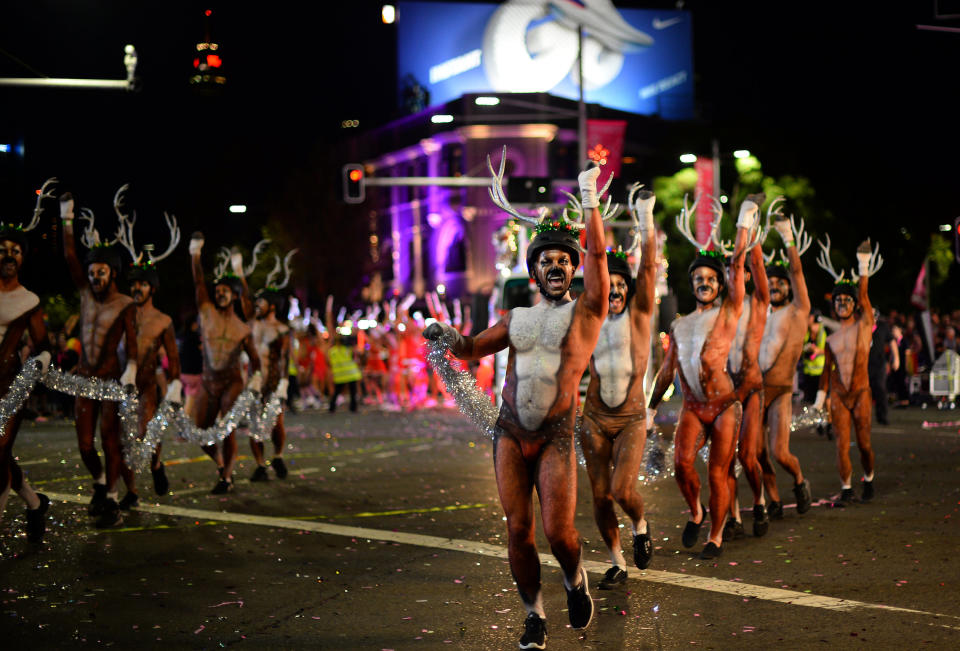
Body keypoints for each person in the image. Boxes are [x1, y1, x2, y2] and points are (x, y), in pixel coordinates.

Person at [423, 159, 609, 649]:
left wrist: (589, 200)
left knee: (558, 532)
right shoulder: (517, 317)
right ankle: (534, 615)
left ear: (573, 268)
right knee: (519, 530)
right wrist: (444, 335)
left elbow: (601, 264)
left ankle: (574, 580)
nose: (555, 265)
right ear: (534, 271)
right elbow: (468, 348)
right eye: (545, 260)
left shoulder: (586, 314)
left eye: (563, 260)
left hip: (555, 438)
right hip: (509, 433)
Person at [648, 193, 757, 560]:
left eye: (711, 278)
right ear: (692, 283)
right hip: (694, 406)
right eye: (699, 278)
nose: (705, 283)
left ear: (720, 283)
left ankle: (716, 537)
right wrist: (649, 410)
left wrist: (743, 221)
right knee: (681, 465)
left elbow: (739, 265)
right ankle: (697, 511)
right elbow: (666, 371)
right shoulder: (681, 326)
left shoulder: (729, 312)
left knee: (718, 473)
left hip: (725, 405)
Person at [578, 185, 657, 589]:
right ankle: (617, 560)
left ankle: (641, 525)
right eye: (611, 284)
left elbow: (649, 270)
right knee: (599, 496)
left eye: (622, 283)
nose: (618, 290)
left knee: (622, 490)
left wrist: (645, 216)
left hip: (630, 418)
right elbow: (592, 260)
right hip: (593, 418)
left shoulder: (641, 314)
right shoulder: (589, 317)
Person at [60, 192, 139, 527]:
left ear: (113, 273)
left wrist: (131, 371)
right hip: (83, 379)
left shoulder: (124, 303)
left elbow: (132, 345)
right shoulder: (84, 295)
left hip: (110, 381)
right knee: (84, 446)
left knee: (110, 438)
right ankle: (100, 481)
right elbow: (69, 255)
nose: (95, 277)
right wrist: (66, 217)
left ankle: (110, 497)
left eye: (101, 272)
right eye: (92, 272)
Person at [113, 193, 183, 498]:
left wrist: (176, 383)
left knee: (146, 433)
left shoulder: (163, 320)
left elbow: (173, 355)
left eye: (142, 284)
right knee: (122, 438)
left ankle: (156, 465)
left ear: (152, 288)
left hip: (148, 384)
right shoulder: (122, 312)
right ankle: (130, 491)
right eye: (133, 283)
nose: (136, 288)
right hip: (119, 385)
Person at [0, 179, 56, 542]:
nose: (8, 255)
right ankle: (36, 504)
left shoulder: (29, 300)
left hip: (8, 387)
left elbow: (44, 344)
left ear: (23, 257)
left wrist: (41, 362)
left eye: (15, 251)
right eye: (2, 249)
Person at [188, 233, 262, 493]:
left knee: (227, 430)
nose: (219, 294)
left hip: (232, 382)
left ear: (234, 295)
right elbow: (198, 284)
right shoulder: (206, 314)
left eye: (225, 291)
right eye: (217, 291)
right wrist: (195, 254)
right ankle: (220, 464)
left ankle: (227, 477)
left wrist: (255, 379)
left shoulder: (242, 328)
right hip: (208, 383)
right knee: (201, 433)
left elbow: (255, 359)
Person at [814, 237, 882, 503]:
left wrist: (863, 266)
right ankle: (846, 487)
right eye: (838, 299)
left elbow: (864, 298)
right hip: (839, 395)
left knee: (864, 445)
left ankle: (869, 478)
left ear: (854, 304)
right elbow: (825, 370)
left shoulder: (864, 326)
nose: (842, 303)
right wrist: (821, 399)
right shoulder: (831, 338)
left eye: (846, 299)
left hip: (862, 392)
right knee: (841, 443)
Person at [756, 212, 814, 520]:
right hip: (757, 391)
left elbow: (797, 270)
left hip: (780, 391)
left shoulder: (798, 310)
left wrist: (787, 237)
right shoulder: (762, 313)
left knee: (779, 452)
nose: (776, 286)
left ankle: (800, 481)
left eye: (780, 282)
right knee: (757, 452)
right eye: (771, 282)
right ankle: (774, 500)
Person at [719, 212, 771, 540]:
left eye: (734, 271)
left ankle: (761, 501)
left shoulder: (759, 302)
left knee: (747, 456)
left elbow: (752, 267)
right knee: (724, 459)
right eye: (725, 271)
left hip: (751, 388)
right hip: (725, 392)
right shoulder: (716, 310)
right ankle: (734, 515)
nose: (730, 275)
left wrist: (749, 232)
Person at [246, 251, 296, 480]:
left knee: (277, 423)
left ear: (273, 306)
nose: (258, 305)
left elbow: (285, 358)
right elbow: (244, 299)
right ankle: (260, 465)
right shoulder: (252, 325)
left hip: (275, 382)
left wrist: (284, 383)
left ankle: (277, 456)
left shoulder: (282, 330)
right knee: (253, 426)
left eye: (262, 302)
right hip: (254, 381)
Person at [325, 296, 361, 413]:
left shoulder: (337, 347)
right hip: (349, 373)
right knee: (351, 391)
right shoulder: (343, 346)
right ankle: (352, 407)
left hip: (341, 374)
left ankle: (334, 408)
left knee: (339, 391)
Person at [868, 309, 898, 426]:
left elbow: (892, 342)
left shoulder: (882, 327)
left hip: (879, 364)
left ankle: (882, 416)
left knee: (880, 388)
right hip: (864, 364)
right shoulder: (861, 326)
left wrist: (896, 358)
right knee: (864, 391)